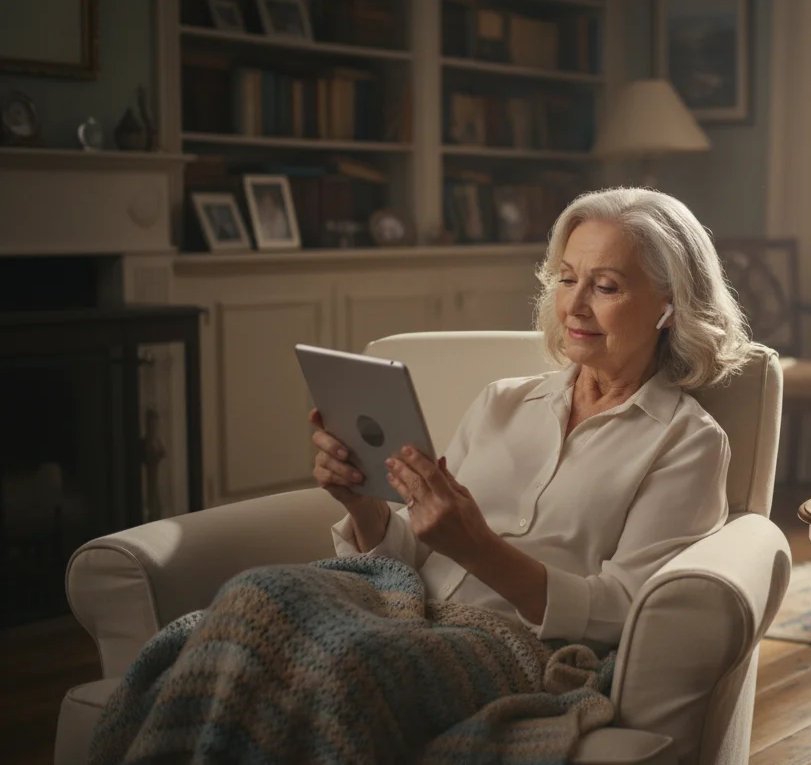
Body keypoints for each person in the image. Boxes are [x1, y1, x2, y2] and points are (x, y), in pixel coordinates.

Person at [309, 186, 753, 648]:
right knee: (255, 596)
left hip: (505, 650)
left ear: (670, 308)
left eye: (605, 287)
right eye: (566, 279)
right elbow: (415, 552)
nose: (574, 306)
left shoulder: (686, 442)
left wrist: (476, 547)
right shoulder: (499, 403)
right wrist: (364, 505)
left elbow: (626, 610)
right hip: (400, 614)